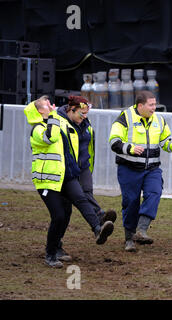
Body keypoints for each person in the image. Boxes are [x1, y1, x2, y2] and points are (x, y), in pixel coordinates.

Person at [24, 96, 115, 268]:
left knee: (80, 199)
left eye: (51, 104)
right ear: (39, 111)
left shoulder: (57, 122)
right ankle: (51, 253)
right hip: (47, 181)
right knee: (58, 216)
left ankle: (97, 229)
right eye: (46, 105)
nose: (52, 107)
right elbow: (49, 138)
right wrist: (53, 117)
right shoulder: (37, 129)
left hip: (66, 175)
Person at [109, 91, 172, 252]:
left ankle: (141, 230)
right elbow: (114, 142)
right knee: (131, 202)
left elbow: (164, 142)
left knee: (155, 193)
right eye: (151, 105)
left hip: (152, 169)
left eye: (155, 104)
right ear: (140, 105)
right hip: (129, 169)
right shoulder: (125, 117)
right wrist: (131, 149)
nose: (154, 108)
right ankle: (129, 238)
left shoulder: (159, 119)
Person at [57, 95, 117, 226]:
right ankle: (99, 217)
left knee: (87, 193)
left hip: (84, 166)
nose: (84, 116)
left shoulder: (86, 125)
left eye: (86, 113)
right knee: (69, 206)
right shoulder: (58, 123)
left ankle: (99, 221)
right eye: (82, 113)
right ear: (71, 109)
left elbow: (89, 147)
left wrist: (88, 166)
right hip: (67, 169)